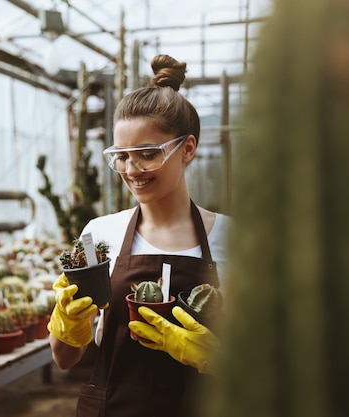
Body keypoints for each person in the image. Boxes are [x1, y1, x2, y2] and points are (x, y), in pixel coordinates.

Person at [47, 54, 230, 417]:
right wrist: (68, 324)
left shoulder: (232, 237)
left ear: (188, 149)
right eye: (121, 156)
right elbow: (65, 359)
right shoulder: (99, 235)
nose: (132, 170)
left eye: (147, 154)